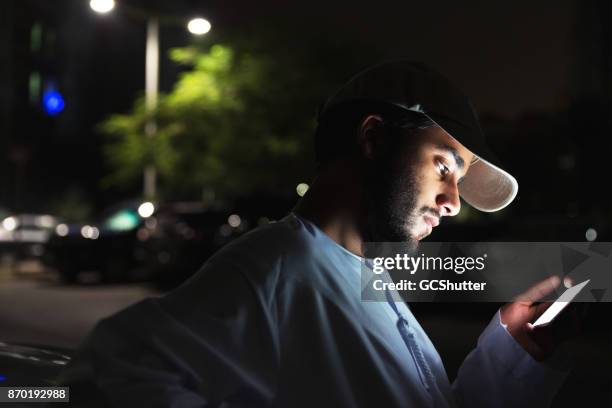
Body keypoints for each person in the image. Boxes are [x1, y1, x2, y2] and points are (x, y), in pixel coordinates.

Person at [61, 60, 570, 407]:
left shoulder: (370, 278)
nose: (453, 202)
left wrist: (510, 354)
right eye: (443, 166)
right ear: (373, 138)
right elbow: (98, 380)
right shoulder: (276, 267)